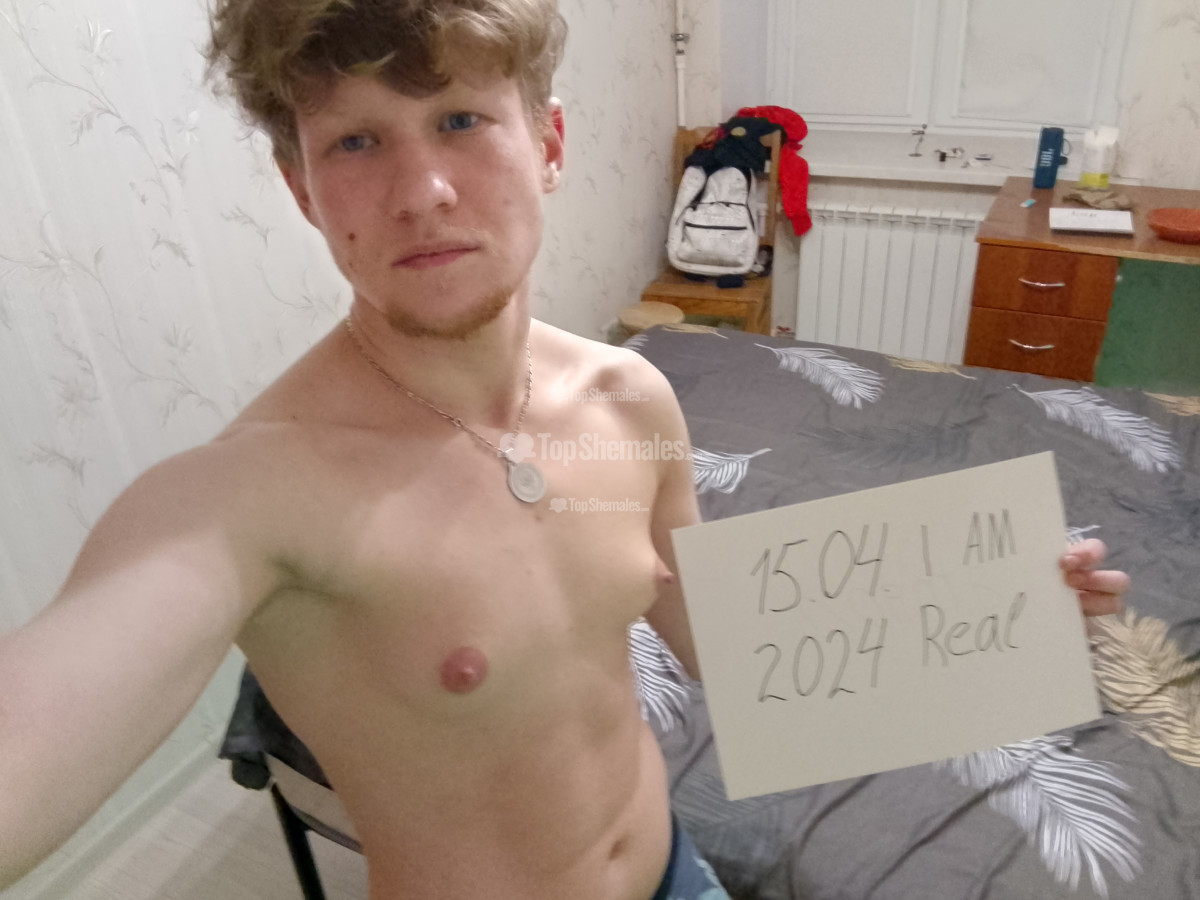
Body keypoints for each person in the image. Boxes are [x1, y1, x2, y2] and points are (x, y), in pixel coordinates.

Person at [0, 1, 1129, 897]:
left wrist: (987, 624)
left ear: (547, 142)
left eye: (459, 119)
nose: (422, 191)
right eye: (356, 140)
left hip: (677, 876)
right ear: (303, 191)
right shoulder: (249, 493)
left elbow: (720, 646)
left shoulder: (631, 396)